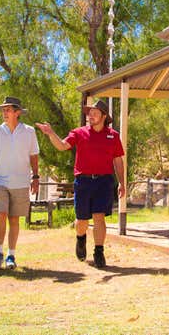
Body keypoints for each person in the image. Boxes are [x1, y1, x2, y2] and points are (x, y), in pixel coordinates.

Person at [35, 100, 125, 268]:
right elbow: (62, 146)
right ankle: (81, 238)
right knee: (82, 220)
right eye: (89, 112)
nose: (90, 115)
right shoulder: (79, 132)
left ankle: (99, 252)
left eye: (95, 112)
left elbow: (118, 160)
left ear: (104, 116)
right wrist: (50, 133)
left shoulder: (113, 135)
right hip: (83, 181)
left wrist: (122, 183)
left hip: (104, 181)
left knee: (99, 217)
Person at [0, 96, 40, 270]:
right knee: (1, 214)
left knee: (14, 219)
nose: (4, 113)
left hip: (21, 182)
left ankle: (11, 255)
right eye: (3, 110)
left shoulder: (29, 132)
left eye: (7, 110)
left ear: (17, 112)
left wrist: (35, 176)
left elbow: (34, 155)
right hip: (0, 180)